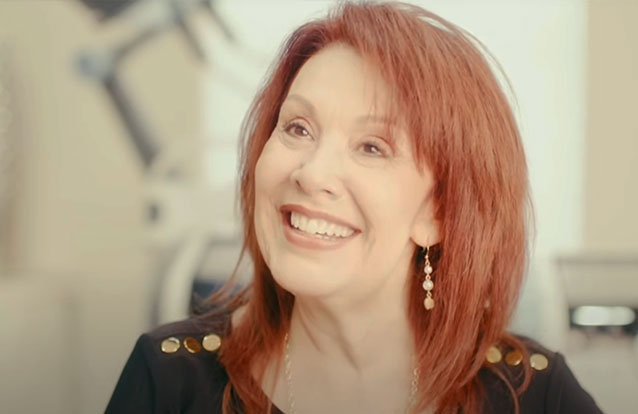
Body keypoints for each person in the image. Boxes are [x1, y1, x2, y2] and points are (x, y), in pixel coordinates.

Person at [106, 2, 603, 413]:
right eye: (297, 128)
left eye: (372, 147)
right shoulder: (167, 379)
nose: (312, 173)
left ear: (438, 213)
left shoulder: (536, 395)